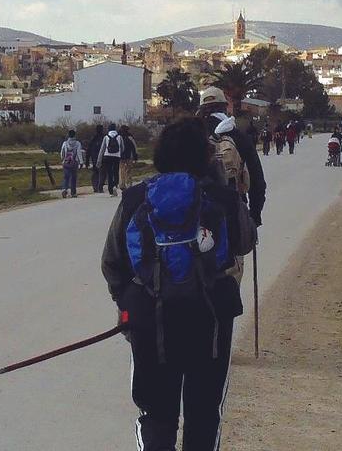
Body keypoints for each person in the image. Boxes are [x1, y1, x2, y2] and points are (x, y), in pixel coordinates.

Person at [102, 118, 254, 451]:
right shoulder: (221, 197)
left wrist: (126, 302)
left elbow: (112, 262)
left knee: (156, 413)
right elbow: (244, 242)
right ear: (204, 156)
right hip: (210, 318)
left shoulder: (136, 197)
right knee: (203, 414)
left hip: (150, 320)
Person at [197, 86, 266, 227]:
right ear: (225, 107)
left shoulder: (192, 134)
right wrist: (255, 216)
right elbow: (257, 181)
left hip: (198, 214)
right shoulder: (238, 136)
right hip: (233, 211)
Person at [97, 123, 124, 196]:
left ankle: (110, 190)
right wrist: (119, 154)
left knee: (109, 173)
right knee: (115, 171)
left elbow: (102, 149)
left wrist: (99, 160)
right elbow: (122, 148)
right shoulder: (119, 137)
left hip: (107, 156)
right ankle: (115, 185)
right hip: (116, 157)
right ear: (115, 129)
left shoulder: (106, 137)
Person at [59, 129, 83, 198]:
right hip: (74, 162)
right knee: (73, 177)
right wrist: (81, 162)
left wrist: (63, 159)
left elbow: (62, 153)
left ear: (68, 135)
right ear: (74, 135)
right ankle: (73, 193)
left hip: (66, 162)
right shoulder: (78, 143)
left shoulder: (65, 143)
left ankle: (64, 189)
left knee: (66, 177)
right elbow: (79, 153)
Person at [85, 125, 105, 193]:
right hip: (103, 158)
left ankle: (95, 187)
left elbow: (88, 150)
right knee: (102, 173)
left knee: (95, 173)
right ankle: (100, 187)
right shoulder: (104, 138)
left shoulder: (93, 138)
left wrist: (87, 161)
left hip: (94, 158)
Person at [119, 125, 139, 191]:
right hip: (129, 157)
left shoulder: (119, 137)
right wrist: (135, 156)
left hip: (121, 157)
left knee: (122, 170)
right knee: (129, 171)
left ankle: (122, 184)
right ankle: (129, 184)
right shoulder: (130, 137)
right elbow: (134, 147)